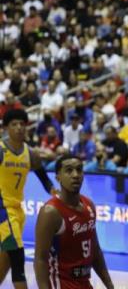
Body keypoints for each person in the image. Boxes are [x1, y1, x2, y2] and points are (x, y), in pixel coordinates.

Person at [34, 156, 113, 289]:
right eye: (69, 170)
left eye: (79, 170)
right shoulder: (50, 212)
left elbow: (95, 251)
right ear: (58, 177)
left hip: (85, 283)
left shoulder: (89, 205)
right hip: (61, 283)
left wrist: (109, 285)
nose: (75, 175)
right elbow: (40, 259)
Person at [1, 109, 56, 289]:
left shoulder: (31, 153)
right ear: (6, 128)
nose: (18, 128)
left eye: (21, 124)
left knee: (6, 259)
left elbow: (44, 179)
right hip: (2, 210)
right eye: (14, 124)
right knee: (18, 256)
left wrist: (55, 192)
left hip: (17, 210)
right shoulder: (1, 149)